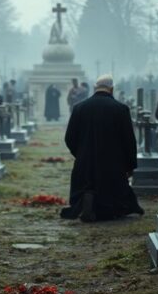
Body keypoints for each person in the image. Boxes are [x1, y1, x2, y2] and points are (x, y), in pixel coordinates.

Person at [61, 75, 144, 222]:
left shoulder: (79, 108)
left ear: (95, 88)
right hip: (113, 161)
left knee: (87, 184)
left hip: (86, 160)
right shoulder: (121, 109)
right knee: (112, 192)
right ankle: (107, 210)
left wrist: (80, 154)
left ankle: (87, 201)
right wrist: (130, 165)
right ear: (111, 89)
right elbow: (129, 140)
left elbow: (70, 137)